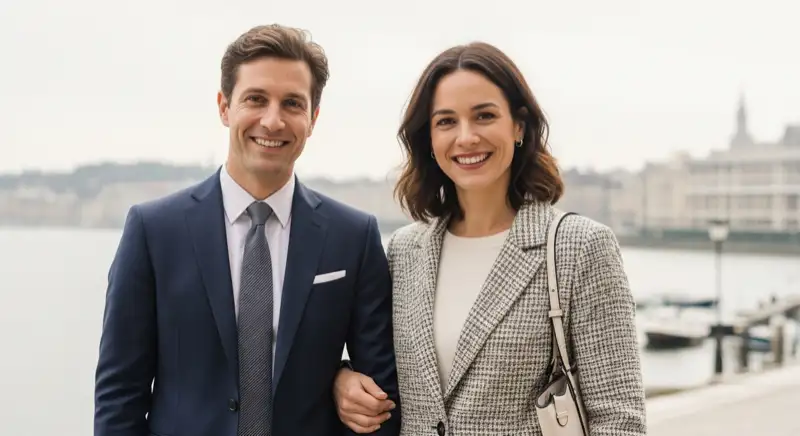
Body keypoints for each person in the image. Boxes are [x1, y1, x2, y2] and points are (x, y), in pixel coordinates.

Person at [93, 24, 400, 436]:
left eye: (292, 103)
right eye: (256, 99)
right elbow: (119, 396)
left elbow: (380, 396)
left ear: (313, 119)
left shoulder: (354, 237)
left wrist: (339, 376)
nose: (272, 121)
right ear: (224, 107)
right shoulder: (153, 231)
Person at [332, 42, 646, 435]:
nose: (466, 137)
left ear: (518, 126)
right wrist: (341, 378)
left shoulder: (580, 247)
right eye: (446, 122)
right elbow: (379, 370)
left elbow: (619, 419)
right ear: (428, 139)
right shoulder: (404, 250)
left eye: (484, 116)